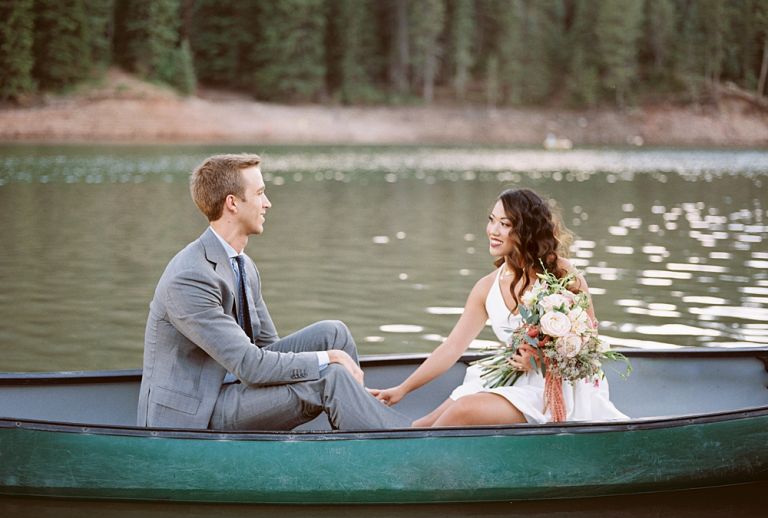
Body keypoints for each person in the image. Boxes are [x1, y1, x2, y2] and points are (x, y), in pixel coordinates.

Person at [137, 153, 409, 431]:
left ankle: (359, 418)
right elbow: (252, 365)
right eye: (260, 193)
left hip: (235, 384)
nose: (267, 203)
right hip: (199, 412)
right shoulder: (190, 277)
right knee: (332, 375)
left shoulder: (243, 265)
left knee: (334, 334)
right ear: (232, 203)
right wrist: (329, 359)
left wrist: (329, 356)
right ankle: (396, 440)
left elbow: (268, 348)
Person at [370, 188, 628, 426]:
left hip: (556, 389)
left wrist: (542, 359)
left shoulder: (562, 273)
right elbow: (451, 348)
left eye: (504, 224)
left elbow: (590, 344)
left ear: (527, 230)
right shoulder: (485, 288)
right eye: (491, 220)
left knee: (463, 410)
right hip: (509, 380)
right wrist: (402, 389)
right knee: (421, 425)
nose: (493, 230)